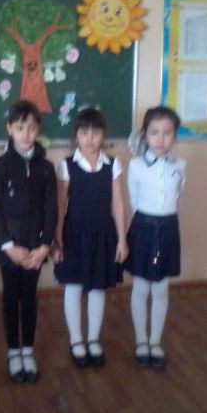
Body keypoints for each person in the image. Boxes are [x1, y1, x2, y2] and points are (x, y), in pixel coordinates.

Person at [0, 100, 57, 383]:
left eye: (31, 128)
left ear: (38, 129)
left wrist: (44, 245)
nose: (26, 134)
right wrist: (8, 246)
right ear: (9, 129)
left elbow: (51, 208)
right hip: (10, 247)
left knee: (29, 297)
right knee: (10, 297)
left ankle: (27, 350)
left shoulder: (46, 168)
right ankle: (13, 351)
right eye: (19, 127)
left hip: (36, 246)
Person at [52, 107, 128, 368]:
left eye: (96, 132)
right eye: (84, 132)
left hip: (103, 233)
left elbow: (118, 203)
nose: (90, 138)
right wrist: (57, 240)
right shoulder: (66, 166)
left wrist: (122, 239)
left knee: (97, 287)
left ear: (103, 135)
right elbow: (60, 206)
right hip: (74, 235)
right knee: (73, 286)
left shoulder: (113, 164)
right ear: (76, 135)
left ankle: (93, 338)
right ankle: (76, 339)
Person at [125, 106, 186, 369]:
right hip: (143, 227)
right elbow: (134, 200)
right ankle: (141, 340)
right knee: (141, 287)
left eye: (167, 133)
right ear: (145, 135)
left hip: (169, 227)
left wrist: (165, 220)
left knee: (161, 288)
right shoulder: (136, 165)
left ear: (174, 135)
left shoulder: (180, 165)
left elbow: (178, 197)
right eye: (154, 132)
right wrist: (149, 222)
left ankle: (155, 341)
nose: (160, 139)